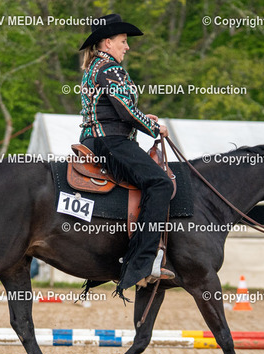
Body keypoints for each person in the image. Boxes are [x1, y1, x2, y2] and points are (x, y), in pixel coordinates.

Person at [78, 14, 175, 297]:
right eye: (123, 41)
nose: (127, 47)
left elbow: (119, 110)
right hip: (111, 142)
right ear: (107, 42)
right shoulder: (110, 68)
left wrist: (143, 117)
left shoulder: (96, 67)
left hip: (99, 139)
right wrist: (154, 127)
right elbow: (125, 111)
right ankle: (143, 263)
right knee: (160, 183)